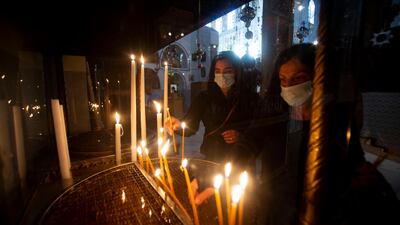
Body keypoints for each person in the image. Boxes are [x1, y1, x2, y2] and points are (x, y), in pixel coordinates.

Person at [262, 43, 399, 225]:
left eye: (298, 78)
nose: (289, 87)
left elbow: (347, 168)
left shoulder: (334, 119)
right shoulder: (284, 118)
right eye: (283, 80)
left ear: (317, 78)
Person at [165, 51, 257, 204]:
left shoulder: (249, 99)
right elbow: (190, 126)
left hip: (239, 160)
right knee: (207, 202)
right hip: (211, 158)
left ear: (237, 72)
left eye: (228, 71)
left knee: (235, 205)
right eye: (218, 71)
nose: (222, 75)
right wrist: (177, 125)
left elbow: (257, 131)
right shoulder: (205, 97)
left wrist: (242, 137)